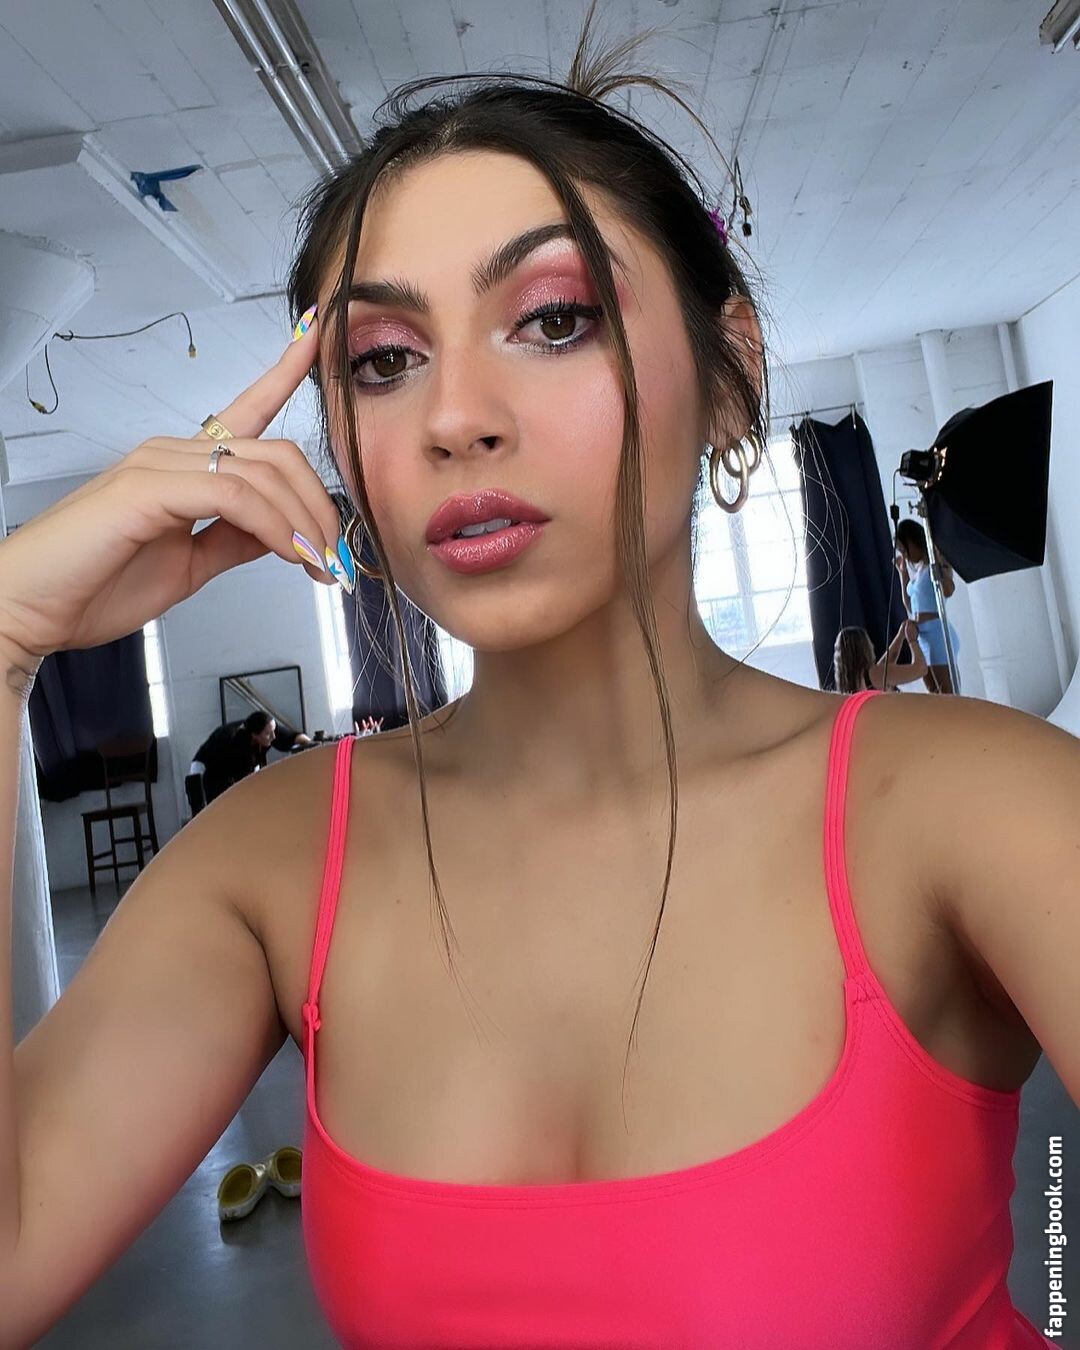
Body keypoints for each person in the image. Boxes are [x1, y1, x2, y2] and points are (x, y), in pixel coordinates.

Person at [0, 13, 1075, 1348]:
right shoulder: (268, 863)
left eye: (555, 319)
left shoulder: (977, 805)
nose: (454, 417)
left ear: (731, 372)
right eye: (384, 361)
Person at [187, 711, 312, 812]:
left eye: (273, 731)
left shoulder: (268, 729)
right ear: (254, 735)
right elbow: (238, 781)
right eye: (268, 734)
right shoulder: (232, 743)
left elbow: (291, 737)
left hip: (238, 769)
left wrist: (309, 743)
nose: (274, 736)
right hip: (210, 768)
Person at [895, 517, 960, 694]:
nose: (905, 556)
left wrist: (939, 567)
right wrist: (903, 575)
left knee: (947, 693)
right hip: (921, 637)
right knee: (934, 694)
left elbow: (949, 590)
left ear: (913, 541)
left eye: (905, 549)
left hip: (936, 634)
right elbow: (910, 607)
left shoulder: (935, 562)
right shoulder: (918, 571)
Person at [833, 620, 928, 694]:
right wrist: (912, 640)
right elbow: (921, 669)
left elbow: (887, 663)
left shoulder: (849, 682)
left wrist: (900, 636)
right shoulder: (875, 673)